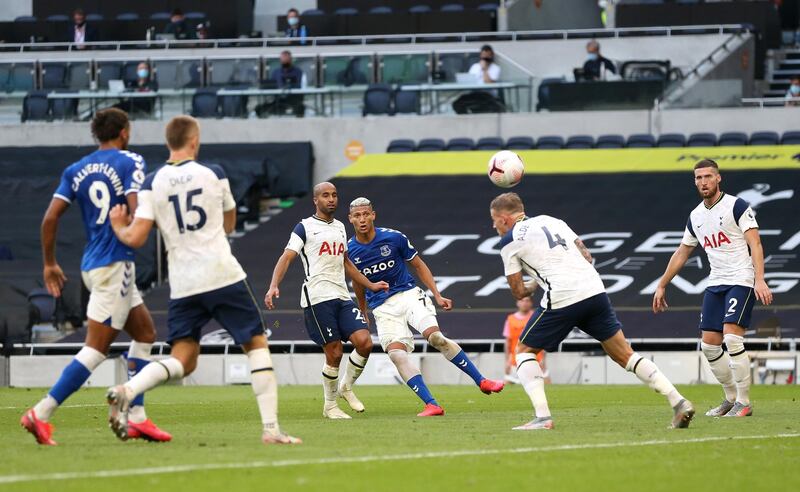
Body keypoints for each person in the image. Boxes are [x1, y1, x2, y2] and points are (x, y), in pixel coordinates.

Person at [105, 115, 300, 445]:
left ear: (169, 142)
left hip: (183, 283)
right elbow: (229, 224)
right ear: (194, 141)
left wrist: (117, 227)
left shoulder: (152, 182)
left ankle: (129, 389)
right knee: (255, 345)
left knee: (184, 359)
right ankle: (271, 430)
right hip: (222, 274)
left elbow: (136, 237)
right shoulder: (214, 173)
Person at [20, 108, 170, 445]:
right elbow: (135, 208)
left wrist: (49, 263)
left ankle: (137, 418)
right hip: (116, 262)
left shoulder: (75, 169)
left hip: (94, 263)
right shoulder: (131, 161)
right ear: (124, 132)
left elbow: (49, 218)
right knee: (96, 348)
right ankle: (40, 412)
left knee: (145, 332)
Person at [490, 192, 694, 430]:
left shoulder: (509, 241)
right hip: (594, 290)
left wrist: (536, 283)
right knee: (625, 354)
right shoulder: (553, 220)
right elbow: (587, 256)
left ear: (504, 219)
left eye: (493, 219)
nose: (493, 225)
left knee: (524, 351)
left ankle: (543, 417)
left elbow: (518, 292)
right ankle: (678, 401)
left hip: (564, 295)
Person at [346, 198, 504, 417]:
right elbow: (358, 282)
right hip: (382, 308)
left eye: (365, 214)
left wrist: (437, 295)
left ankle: (482, 381)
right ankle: (432, 404)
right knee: (397, 356)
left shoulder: (394, 237)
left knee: (435, 337)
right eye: (357, 215)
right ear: (350, 219)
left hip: (408, 295)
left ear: (373, 215)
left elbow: (418, 265)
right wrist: (363, 310)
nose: (362, 219)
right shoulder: (349, 250)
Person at [653, 159, 773, 418]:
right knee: (709, 345)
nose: (703, 181)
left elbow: (756, 243)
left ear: (718, 178)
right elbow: (682, 252)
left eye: (708, 176)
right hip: (715, 283)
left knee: (732, 338)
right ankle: (730, 399)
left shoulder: (736, 205)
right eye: (698, 178)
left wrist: (760, 279)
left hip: (740, 280)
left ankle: (744, 402)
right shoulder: (696, 216)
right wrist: (662, 284)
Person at [265, 183, 389, 419]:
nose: (331, 199)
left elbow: (345, 262)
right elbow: (287, 256)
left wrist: (370, 284)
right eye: (325, 195)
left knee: (364, 342)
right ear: (315, 200)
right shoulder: (304, 227)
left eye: (334, 195)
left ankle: (345, 387)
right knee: (334, 353)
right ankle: (330, 406)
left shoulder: (341, 227)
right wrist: (273, 286)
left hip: (341, 296)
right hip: (317, 297)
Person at [503, 297, 548, 385]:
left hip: (536, 360)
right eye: (522, 301)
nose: (524, 303)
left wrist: (544, 359)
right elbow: (507, 342)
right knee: (507, 388)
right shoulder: (510, 319)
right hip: (515, 362)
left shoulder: (537, 317)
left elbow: (543, 339)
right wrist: (506, 361)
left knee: (545, 386)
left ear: (531, 303)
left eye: (527, 301)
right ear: (517, 303)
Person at [453, 45, 505, 114]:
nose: (485, 58)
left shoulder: (496, 68)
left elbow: (489, 83)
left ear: (491, 56)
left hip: (488, 96)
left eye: (488, 55)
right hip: (474, 94)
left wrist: (485, 69)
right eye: (483, 55)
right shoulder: (475, 66)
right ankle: (467, 119)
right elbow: (469, 80)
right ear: (480, 56)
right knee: (457, 103)